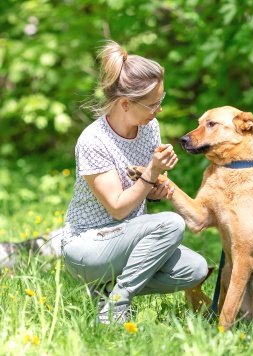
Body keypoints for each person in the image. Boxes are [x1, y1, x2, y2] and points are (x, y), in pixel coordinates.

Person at [61, 40, 209, 325]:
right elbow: (117, 208)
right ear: (125, 103)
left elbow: (140, 190)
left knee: (195, 268)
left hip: (127, 238)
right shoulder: (94, 140)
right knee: (172, 224)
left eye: (161, 100)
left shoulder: (148, 127)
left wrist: (156, 190)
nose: (160, 110)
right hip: (88, 247)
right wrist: (152, 173)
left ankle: (106, 289)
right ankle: (118, 303)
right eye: (154, 103)